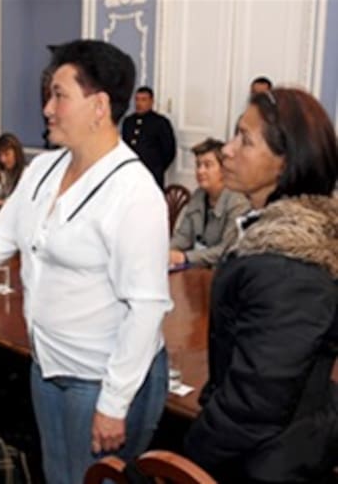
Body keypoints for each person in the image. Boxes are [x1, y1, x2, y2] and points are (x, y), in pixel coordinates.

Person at [0, 39, 172, 484]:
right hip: (48, 364)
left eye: (59, 95)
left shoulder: (135, 193)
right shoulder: (43, 170)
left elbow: (147, 308)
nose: (47, 109)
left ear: (99, 106)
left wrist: (114, 403)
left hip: (101, 379)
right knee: (57, 475)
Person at [183, 88, 338, 483]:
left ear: (285, 162)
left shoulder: (292, 267)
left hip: (269, 463)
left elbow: (254, 404)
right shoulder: (269, 236)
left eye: (245, 140)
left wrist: (186, 457)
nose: (227, 150)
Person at [169, 138, 249, 268]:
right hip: (199, 267)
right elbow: (184, 236)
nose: (200, 171)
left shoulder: (238, 202)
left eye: (208, 165)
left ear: (224, 169)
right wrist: (167, 252)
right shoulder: (198, 195)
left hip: (224, 270)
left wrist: (185, 257)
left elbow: (225, 250)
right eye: (198, 165)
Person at [121, 86, 176, 189]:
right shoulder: (128, 122)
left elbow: (169, 151)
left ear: (151, 102)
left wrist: (157, 167)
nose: (139, 103)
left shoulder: (161, 122)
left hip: (152, 173)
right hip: (131, 173)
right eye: (137, 99)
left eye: (143, 100)